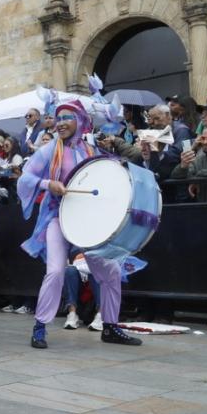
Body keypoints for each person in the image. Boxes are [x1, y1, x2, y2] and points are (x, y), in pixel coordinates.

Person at [17, 100, 142, 349]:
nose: (61, 122)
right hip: (57, 217)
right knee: (55, 271)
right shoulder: (49, 150)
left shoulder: (91, 150)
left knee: (111, 272)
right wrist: (47, 185)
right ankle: (40, 327)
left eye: (67, 117)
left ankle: (110, 326)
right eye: (57, 117)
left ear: (81, 121)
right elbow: (25, 178)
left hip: (87, 222)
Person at [62, 254, 102, 331]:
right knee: (69, 270)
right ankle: (72, 314)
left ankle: (101, 315)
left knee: (96, 269)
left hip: (97, 291)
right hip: (80, 295)